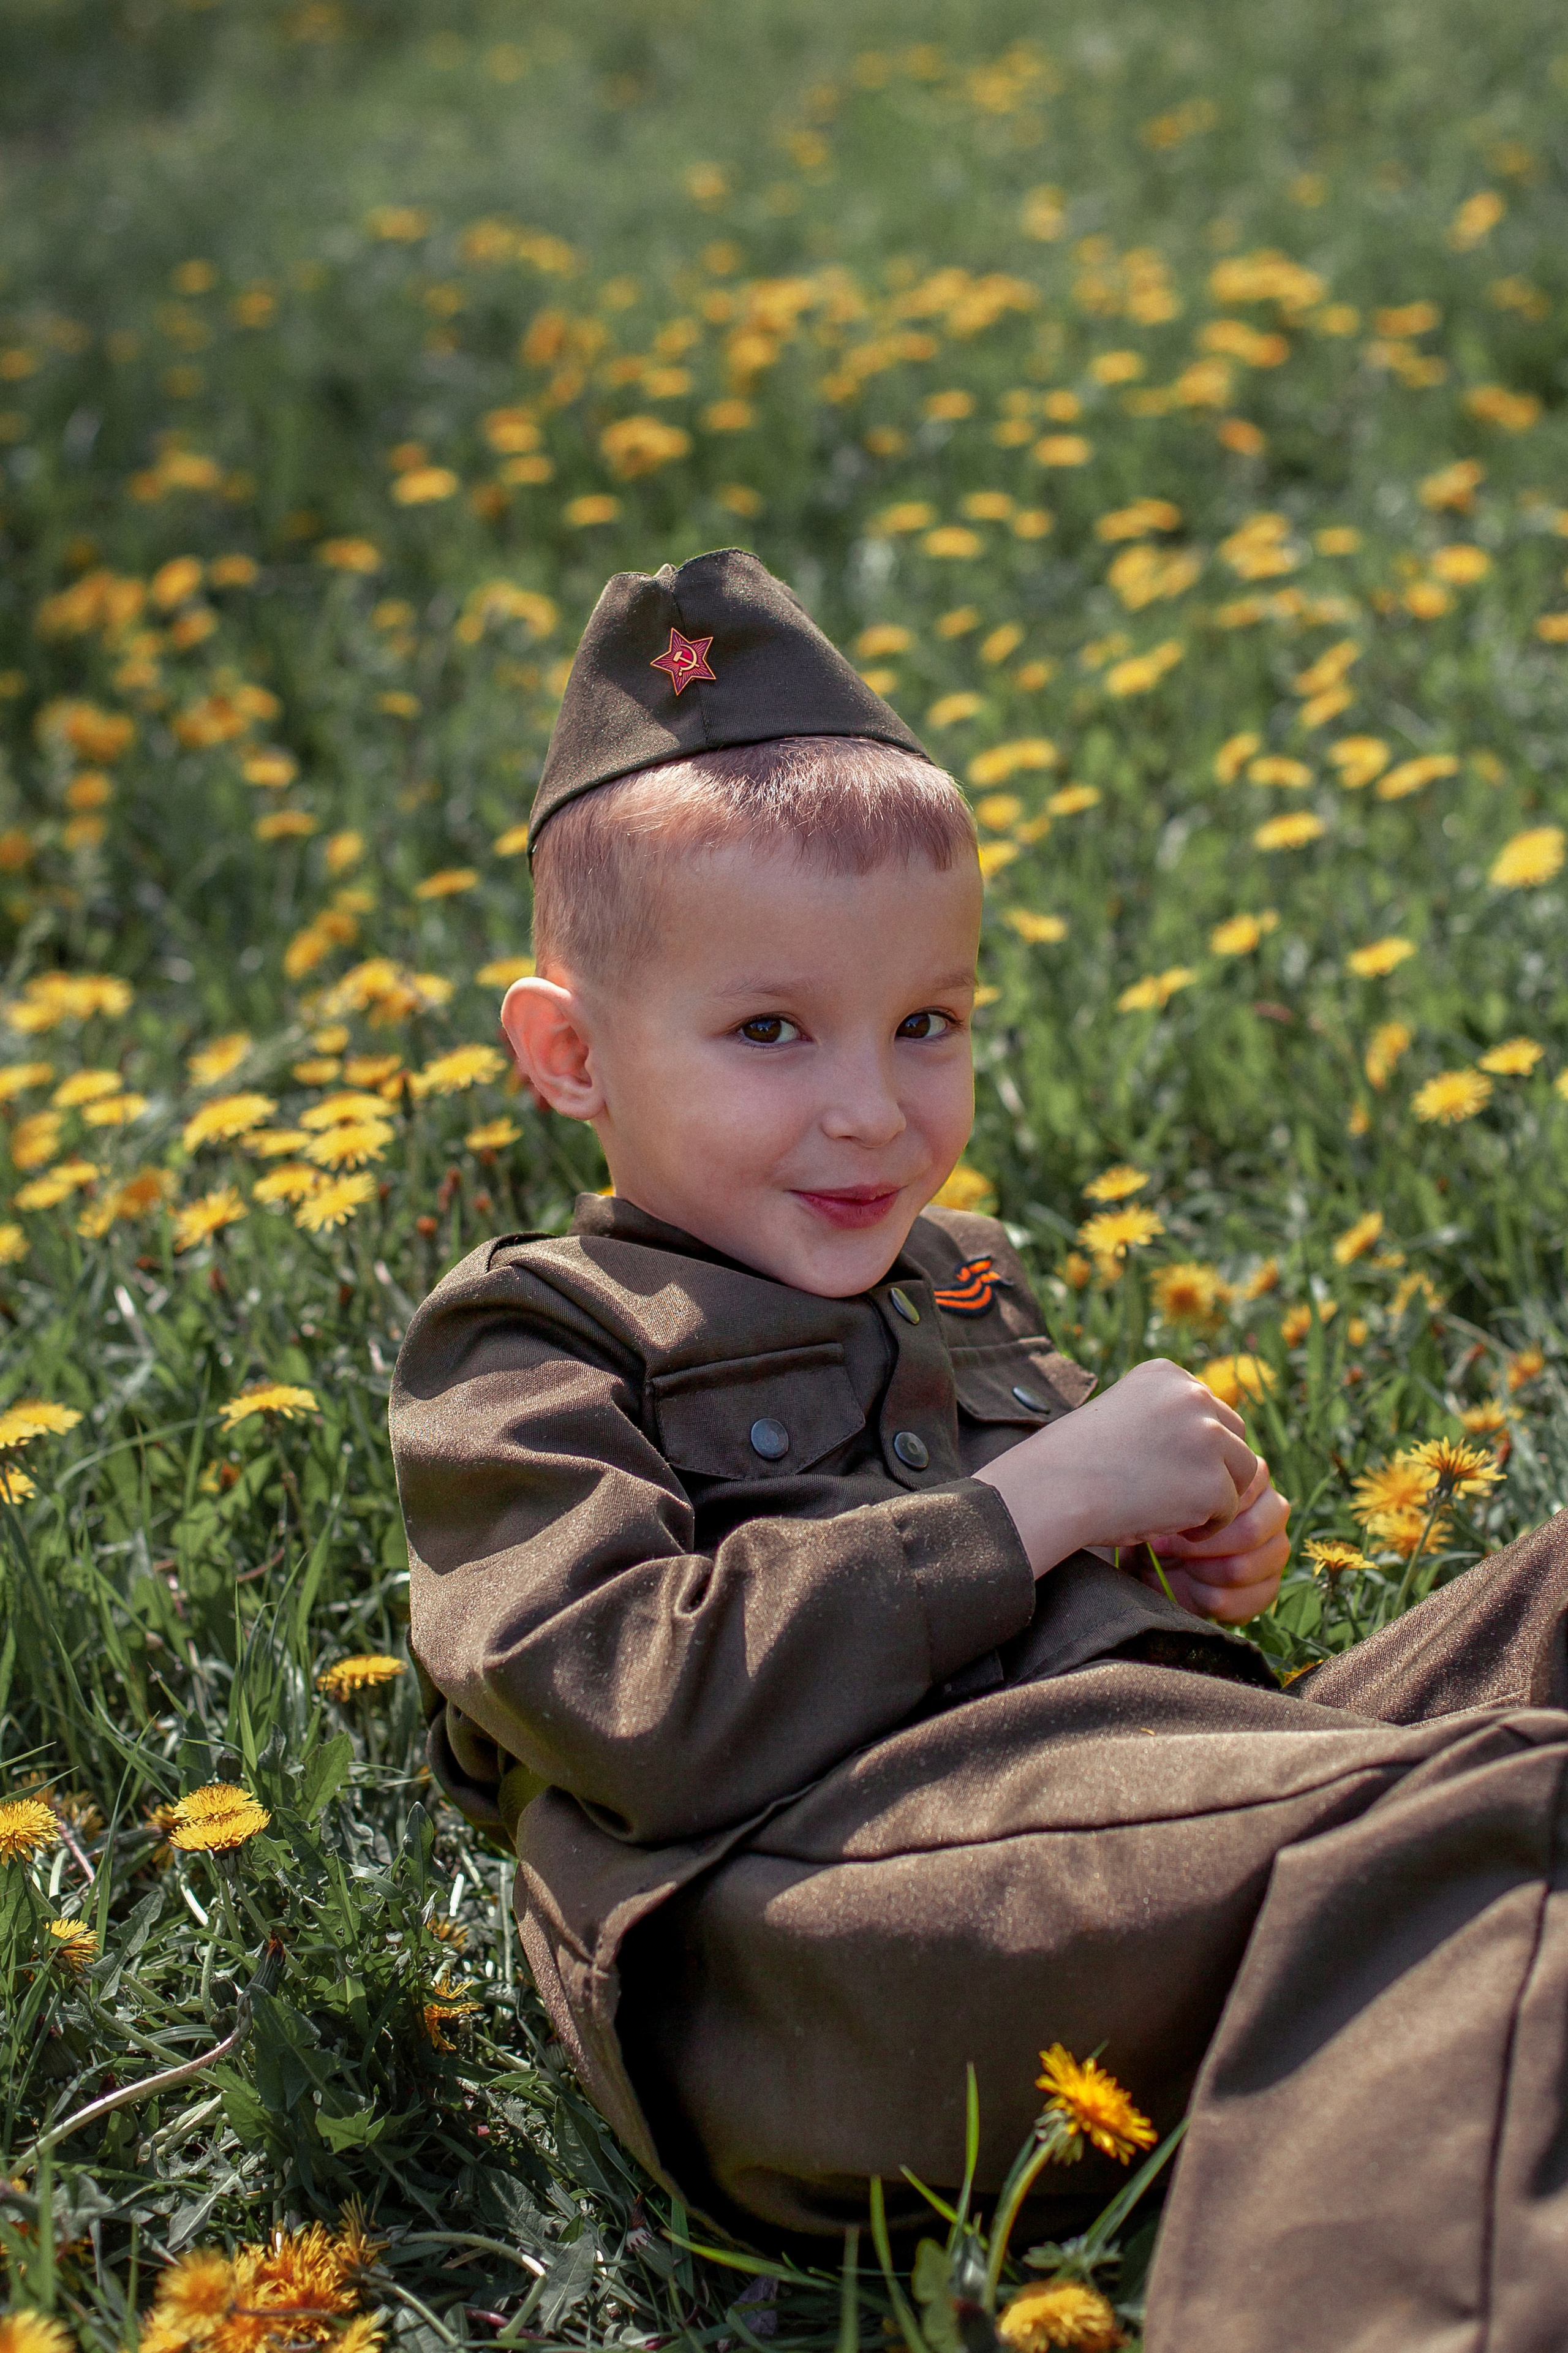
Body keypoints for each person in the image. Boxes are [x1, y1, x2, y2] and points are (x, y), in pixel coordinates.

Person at [391, 549, 1568, 2351]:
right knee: (1490, 1807)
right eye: (771, 1029)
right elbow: (631, 1701)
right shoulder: (532, 1339)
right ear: (568, 1054)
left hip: (1103, 1817)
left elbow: (1054, 1600)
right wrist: (1032, 1508)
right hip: (806, 1948)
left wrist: (1176, 1557)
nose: (873, 1103)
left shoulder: (952, 1273)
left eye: (924, 1022)